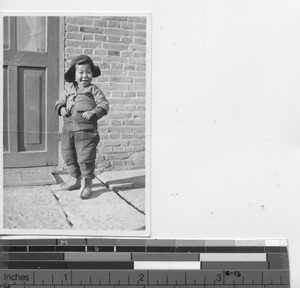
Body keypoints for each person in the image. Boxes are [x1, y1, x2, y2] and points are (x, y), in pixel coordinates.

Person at [55, 55, 109, 199]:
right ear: (74, 74)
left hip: (86, 132)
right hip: (68, 130)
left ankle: (87, 184)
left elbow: (104, 104)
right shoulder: (69, 88)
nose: (85, 76)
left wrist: (93, 112)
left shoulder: (93, 89)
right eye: (81, 72)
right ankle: (74, 180)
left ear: (92, 73)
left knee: (85, 158)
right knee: (68, 155)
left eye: (88, 72)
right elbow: (59, 101)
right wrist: (61, 109)